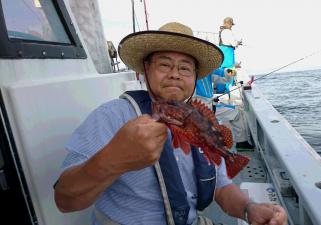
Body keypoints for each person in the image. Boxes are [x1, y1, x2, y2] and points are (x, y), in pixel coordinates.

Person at [54, 22, 287, 225]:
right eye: (164, 65)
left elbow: (222, 188)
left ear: (195, 77)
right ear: (146, 69)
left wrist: (250, 209)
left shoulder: (200, 120)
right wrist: (112, 159)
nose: (175, 74)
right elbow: (65, 200)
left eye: (185, 68)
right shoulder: (112, 116)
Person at [195, 68, 254, 151]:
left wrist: (230, 72)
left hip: (199, 107)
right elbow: (224, 76)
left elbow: (223, 77)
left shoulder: (206, 72)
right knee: (236, 112)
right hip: (205, 108)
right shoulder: (206, 70)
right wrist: (231, 72)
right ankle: (241, 142)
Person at [216, 17, 243, 94]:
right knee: (230, 70)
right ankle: (228, 90)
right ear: (229, 23)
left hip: (222, 52)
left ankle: (219, 91)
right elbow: (233, 43)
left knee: (221, 71)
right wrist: (238, 42)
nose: (231, 26)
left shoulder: (221, 31)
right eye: (231, 24)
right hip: (228, 53)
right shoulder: (228, 31)